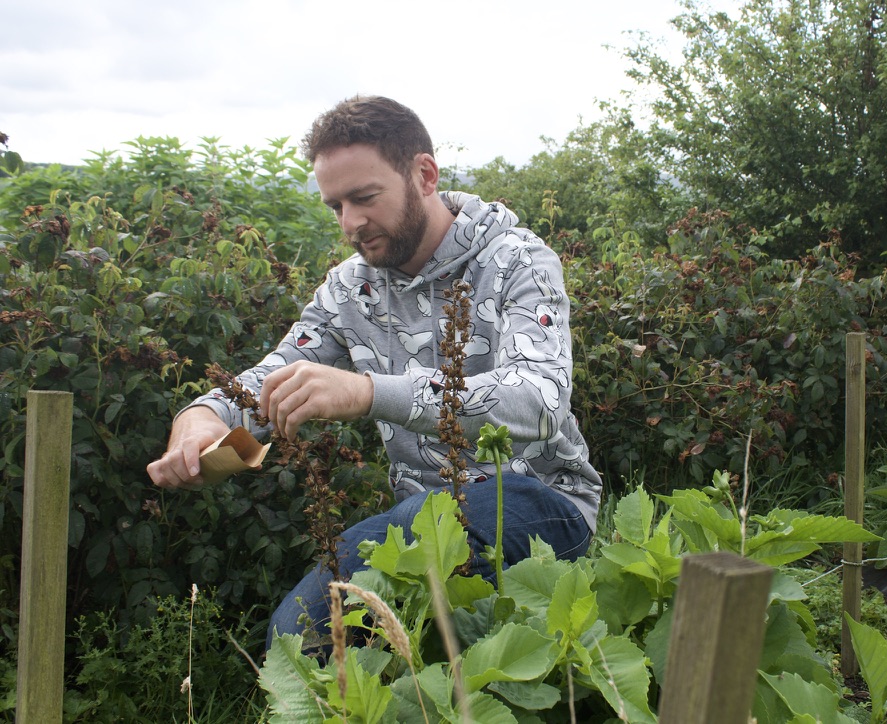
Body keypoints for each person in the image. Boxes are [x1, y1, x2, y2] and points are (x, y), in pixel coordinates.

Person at [146, 95, 601, 649]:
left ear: (424, 175)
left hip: (541, 501)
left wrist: (367, 392)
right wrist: (202, 416)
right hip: (422, 520)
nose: (350, 224)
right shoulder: (349, 289)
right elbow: (278, 371)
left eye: (364, 198)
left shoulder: (518, 261)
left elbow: (540, 398)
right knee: (305, 635)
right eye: (335, 206)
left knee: (336, 630)